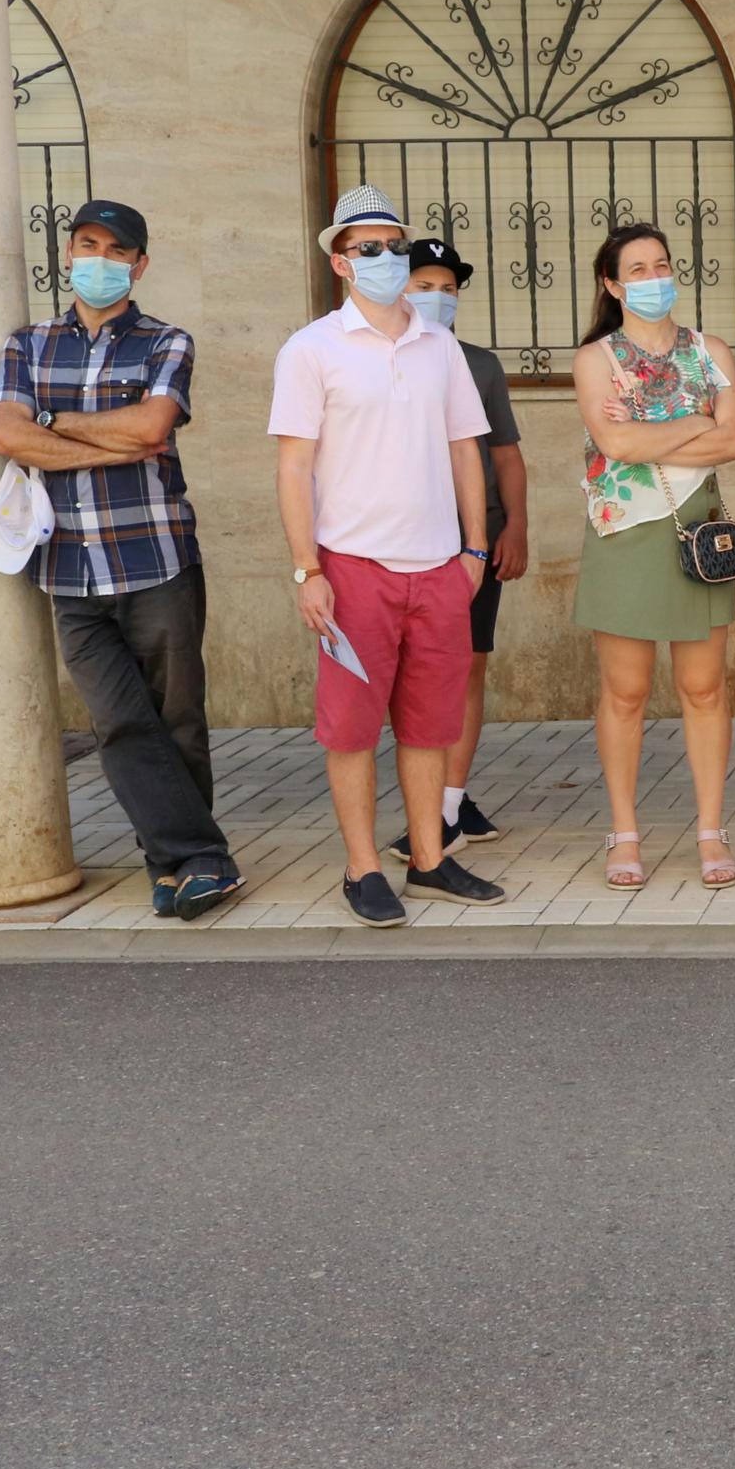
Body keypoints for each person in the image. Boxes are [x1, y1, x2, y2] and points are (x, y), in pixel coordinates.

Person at [0, 197, 242, 918]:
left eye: (117, 250)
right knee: (118, 722)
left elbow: (153, 427)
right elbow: (7, 435)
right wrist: (107, 442)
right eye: (88, 245)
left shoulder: (166, 342)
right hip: (67, 569)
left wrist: (51, 422)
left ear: (139, 264)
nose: (100, 260)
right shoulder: (27, 345)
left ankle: (176, 865)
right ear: (68, 254)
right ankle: (201, 858)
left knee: (177, 718)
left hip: (155, 559)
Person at [271, 184, 509, 928]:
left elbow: (466, 449)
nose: (384, 258)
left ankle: (430, 859)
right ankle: (363, 867)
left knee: (431, 723)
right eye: (367, 247)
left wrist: (474, 549)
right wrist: (308, 568)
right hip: (351, 568)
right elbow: (293, 468)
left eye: (393, 245)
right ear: (340, 262)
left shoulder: (440, 346)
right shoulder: (311, 349)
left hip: (439, 567)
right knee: (350, 726)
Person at [570, 223, 735, 892]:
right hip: (624, 534)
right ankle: (623, 832)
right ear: (613, 285)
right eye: (638, 270)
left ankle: (711, 830)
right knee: (626, 692)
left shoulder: (709, 350)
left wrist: (651, 433)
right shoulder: (595, 359)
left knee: (705, 689)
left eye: (662, 265)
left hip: (696, 533)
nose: (654, 279)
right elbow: (615, 446)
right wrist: (699, 422)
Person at [381, 237, 526, 860]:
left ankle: (447, 806)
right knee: (410, 675)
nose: (437, 298)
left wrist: (514, 526)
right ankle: (436, 800)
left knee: (466, 667)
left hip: (472, 543)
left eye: (448, 289)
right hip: (397, 543)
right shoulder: (370, 356)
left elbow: (504, 455)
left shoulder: (479, 365)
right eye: (423, 286)